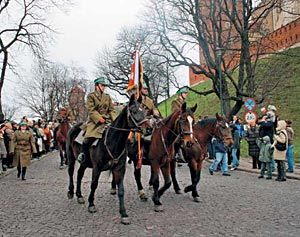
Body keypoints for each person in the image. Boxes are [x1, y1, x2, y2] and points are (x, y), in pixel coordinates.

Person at [77, 77, 117, 164]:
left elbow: (112, 110)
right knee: (89, 136)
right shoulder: (91, 96)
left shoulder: (107, 97)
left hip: (107, 120)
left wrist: (115, 120)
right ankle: (82, 153)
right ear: (96, 86)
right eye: (102, 85)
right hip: (95, 121)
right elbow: (91, 110)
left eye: (104, 86)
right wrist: (99, 119)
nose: (103, 87)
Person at [171, 86, 189, 165]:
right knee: (177, 137)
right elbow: (175, 112)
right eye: (185, 93)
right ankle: (176, 153)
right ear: (180, 94)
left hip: (184, 121)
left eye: (186, 93)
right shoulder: (175, 102)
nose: (186, 94)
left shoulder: (184, 103)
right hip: (177, 121)